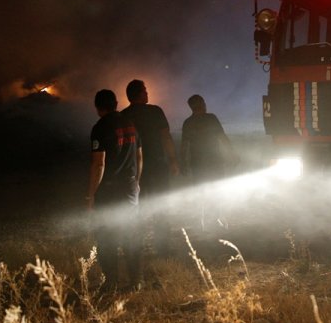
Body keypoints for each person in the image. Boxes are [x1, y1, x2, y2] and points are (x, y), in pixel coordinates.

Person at [87, 89, 143, 292]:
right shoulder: (130, 124)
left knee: (106, 237)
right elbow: (139, 157)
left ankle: (111, 283)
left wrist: (91, 195)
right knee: (131, 235)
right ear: (116, 103)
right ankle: (136, 281)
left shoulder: (100, 127)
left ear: (98, 107)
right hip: (130, 187)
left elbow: (99, 164)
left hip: (109, 190)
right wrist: (136, 181)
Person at [121, 79, 180, 257]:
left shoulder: (123, 116)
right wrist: (173, 160)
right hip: (157, 165)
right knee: (161, 206)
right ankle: (162, 249)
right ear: (139, 94)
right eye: (145, 90)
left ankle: (135, 249)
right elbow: (166, 137)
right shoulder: (155, 112)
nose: (147, 93)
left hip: (134, 170)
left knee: (136, 208)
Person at [180, 94, 236, 230]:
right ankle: (216, 221)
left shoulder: (188, 123)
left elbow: (184, 146)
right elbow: (223, 138)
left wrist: (183, 163)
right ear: (202, 104)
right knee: (217, 192)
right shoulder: (211, 118)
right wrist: (232, 154)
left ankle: (204, 223)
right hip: (214, 162)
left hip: (197, 164)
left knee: (201, 193)